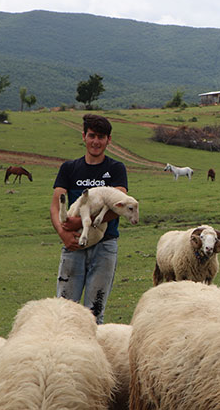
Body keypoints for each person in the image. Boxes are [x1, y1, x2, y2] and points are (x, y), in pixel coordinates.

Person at [49, 114, 128, 324]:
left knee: (95, 312)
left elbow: (119, 205)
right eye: (92, 135)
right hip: (73, 245)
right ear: (84, 136)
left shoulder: (116, 169)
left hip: (105, 245)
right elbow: (56, 203)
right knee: (65, 310)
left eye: (101, 137)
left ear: (108, 140)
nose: (96, 141)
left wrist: (83, 221)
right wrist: (63, 233)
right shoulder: (69, 168)